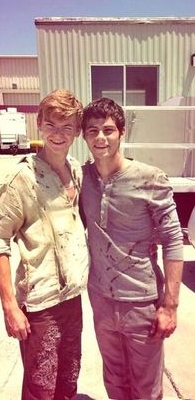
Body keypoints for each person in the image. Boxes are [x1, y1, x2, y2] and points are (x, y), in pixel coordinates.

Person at [0, 89, 89, 400]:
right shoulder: (22, 178)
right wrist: (9, 307)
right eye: (52, 125)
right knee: (40, 387)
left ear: (77, 131)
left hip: (72, 300)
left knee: (68, 381)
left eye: (67, 127)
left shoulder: (75, 170)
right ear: (39, 124)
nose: (59, 134)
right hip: (39, 304)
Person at [79, 97, 184, 400]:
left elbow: (173, 241)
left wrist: (170, 305)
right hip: (101, 299)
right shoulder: (82, 178)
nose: (101, 137)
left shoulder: (150, 179)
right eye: (93, 130)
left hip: (141, 303)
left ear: (121, 133)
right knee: (114, 381)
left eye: (109, 130)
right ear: (84, 136)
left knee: (146, 389)